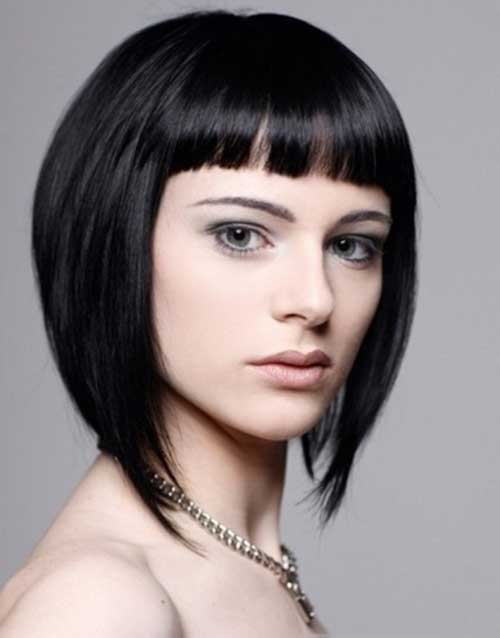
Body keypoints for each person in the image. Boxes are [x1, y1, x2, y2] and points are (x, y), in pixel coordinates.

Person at [0, 8, 418, 637]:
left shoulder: (246, 569)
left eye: (351, 245)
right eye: (241, 234)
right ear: (114, 243)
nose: (315, 300)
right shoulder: (99, 603)